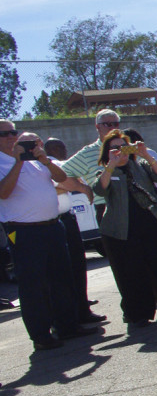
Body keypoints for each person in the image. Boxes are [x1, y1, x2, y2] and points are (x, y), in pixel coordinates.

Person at [0, 124, 98, 350]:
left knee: (61, 278)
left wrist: (44, 160)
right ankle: (40, 335)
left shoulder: (36, 161)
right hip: (23, 230)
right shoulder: (7, 162)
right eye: (4, 134)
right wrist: (18, 163)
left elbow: (61, 177)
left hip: (52, 226)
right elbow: (4, 193)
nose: (11, 137)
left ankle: (67, 325)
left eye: (13, 133)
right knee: (33, 285)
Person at [92, 129, 157, 330]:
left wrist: (146, 155)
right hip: (122, 230)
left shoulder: (140, 165)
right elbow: (99, 189)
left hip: (152, 223)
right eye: (114, 148)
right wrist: (111, 166)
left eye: (122, 147)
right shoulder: (105, 172)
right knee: (132, 273)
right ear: (106, 152)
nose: (119, 151)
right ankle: (137, 315)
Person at [44, 137, 107, 326]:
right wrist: (70, 186)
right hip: (52, 221)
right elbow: (60, 185)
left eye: (63, 146)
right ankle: (70, 315)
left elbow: (67, 181)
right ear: (51, 149)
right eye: (58, 147)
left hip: (67, 218)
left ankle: (82, 308)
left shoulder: (57, 164)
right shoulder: (45, 164)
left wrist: (65, 185)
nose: (63, 150)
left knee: (78, 266)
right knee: (63, 270)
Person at [61, 108, 122, 221]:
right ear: (97, 127)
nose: (112, 127)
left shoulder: (126, 147)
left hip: (132, 205)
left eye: (115, 124)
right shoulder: (88, 152)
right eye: (107, 124)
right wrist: (83, 188)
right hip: (107, 208)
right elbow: (62, 175)